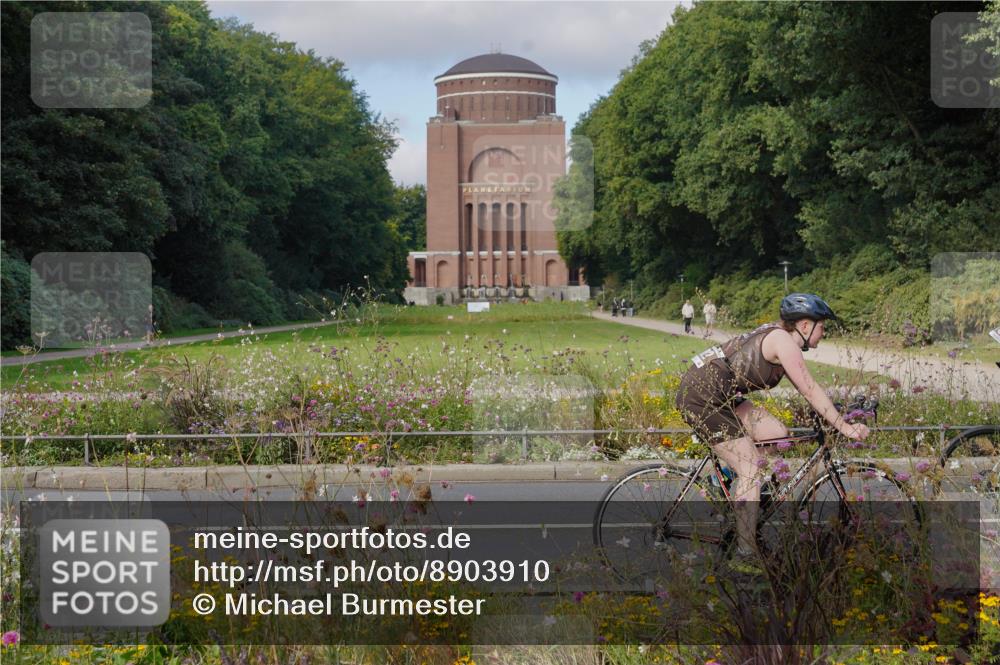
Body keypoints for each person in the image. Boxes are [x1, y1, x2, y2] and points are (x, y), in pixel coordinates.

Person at [674, 293, 870, 575]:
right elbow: (810, 389)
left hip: (720, 392)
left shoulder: (779, 336)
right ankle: (744, 554)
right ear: (804, 326)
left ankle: (728, 481)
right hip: (702, 396)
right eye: (821, 327)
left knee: (778, 434)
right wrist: (845, 426)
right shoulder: (783, 343)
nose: (823, 334)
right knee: (751, 468)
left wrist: (837, 410)